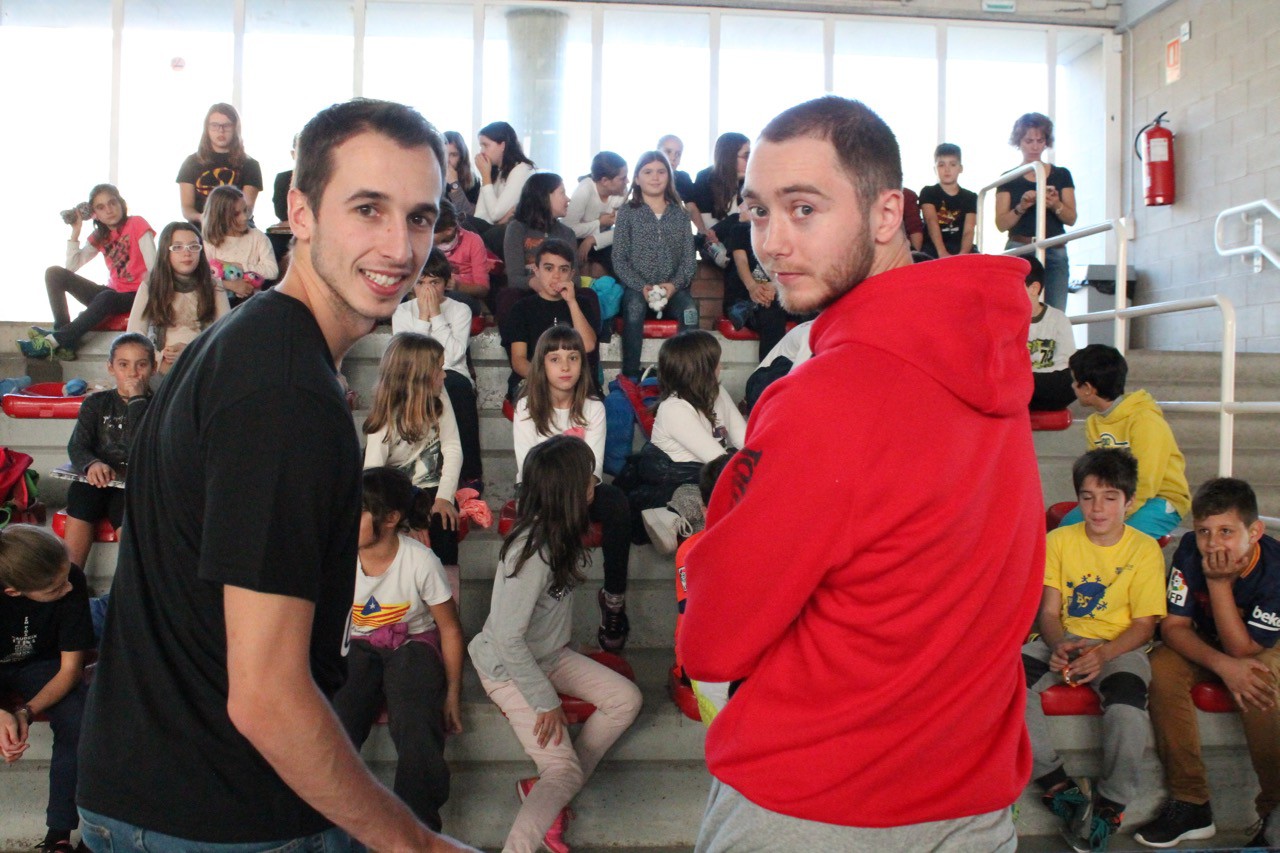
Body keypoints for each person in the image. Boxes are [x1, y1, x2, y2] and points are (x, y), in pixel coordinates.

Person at [76, 98, 477, 853]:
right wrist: (417, 844)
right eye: (368, 208)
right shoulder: (285, 389)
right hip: (212, 817)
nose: (399, 246)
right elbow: (266, 696)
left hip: (161, 797)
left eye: (420, 217)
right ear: (300, 209)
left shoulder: (249, 340)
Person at [680, 96, 1042, 851]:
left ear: (887, 215)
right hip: (970, 800)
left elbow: (710, 642)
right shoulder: (987, 360)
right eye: (757, 212)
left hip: (813, 802)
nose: (774, 241)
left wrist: (718, 519)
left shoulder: (826, 395)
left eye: (804, 208)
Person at [469, 435, 643, 853]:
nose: (594, 488)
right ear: (569, 492)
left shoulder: (561, 535)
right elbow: (509, 639)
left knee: (626, 699)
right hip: (508, 669)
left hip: (548, 655)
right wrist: (545, 701)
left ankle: (547, 791)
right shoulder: (531, 554)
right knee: (563, 772)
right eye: (588, 481)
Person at [1023, 449, 1166, 852]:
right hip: (1063, 640)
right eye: (1087, 497)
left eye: (1109, 497)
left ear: (1129, 503)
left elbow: (1144, 625)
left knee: (1126, 708)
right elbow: (1049, 611)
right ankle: (1057, 786)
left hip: (1120, 648)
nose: (1097, 508)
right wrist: (1059, 644)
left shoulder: (1144, 550)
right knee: (1002, 687)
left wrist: (1102, 654)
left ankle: (1111, 803)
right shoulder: (1058, 541)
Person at [1134, 477, 1280, 850]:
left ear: (1255, 531)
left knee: (1258, 680)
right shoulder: (1189, 552)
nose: (1213, 544)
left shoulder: (1276, 570)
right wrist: (1222, 665)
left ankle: (1274, 810)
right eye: (1204, 532)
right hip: (1209, 642)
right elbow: (1174, 627)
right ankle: (1190, 802)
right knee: (1160, 668)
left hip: (1261, 646)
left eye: (1227, 532)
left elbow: (1244, 651)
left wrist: (1218, 584)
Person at [332, 466, 464, 834]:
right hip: (358, 646)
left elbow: (450, 630)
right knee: (337, 720)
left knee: (418, 724)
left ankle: (414, 831)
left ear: (390, 518)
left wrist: (452, 692)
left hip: (412, 644)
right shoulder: (338, 558)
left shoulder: (420, 561)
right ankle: (330, 822)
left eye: (358, 512)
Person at [513, 326, 632, 651]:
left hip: (582, 489)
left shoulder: (592, 407)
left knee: (618, 502)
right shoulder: (527, 407)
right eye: (555, 359)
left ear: (583, 363)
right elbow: (528, 468)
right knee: (543, 514)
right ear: (542, 365)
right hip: (540, 491)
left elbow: (591, 468)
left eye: (573, 358)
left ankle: (613, 600)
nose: (565, 367)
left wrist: (587, 486)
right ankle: (546, 595)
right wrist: (566, 492)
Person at [0, 525, 94, 853]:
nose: (67, 587)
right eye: (54, 589)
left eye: (66, 576)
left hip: (41, 664)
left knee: (79, 718)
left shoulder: (73, 580)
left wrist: (26, 711)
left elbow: (70, 670)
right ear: (13, 591)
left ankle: (59, 833)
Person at [1060, 343, 1191, 539]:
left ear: (1087, 388)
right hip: (1114, 498)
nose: (1071, 386)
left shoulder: (1145, 420)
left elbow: (1147, 480)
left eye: (1074, 381)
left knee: (1113, 537)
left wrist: (1114, 514)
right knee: (1065, 530)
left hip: (1159, 499)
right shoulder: (1094, 422)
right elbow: (1095, 474)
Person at [640, 331, 746, 554]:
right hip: (671, 485)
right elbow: (717, 459)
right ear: (700, 370)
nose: (721, 366)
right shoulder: (674, 408)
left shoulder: (718, 392)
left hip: (706, 475)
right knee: (703, 495)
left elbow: (745, 441)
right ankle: (672, 521)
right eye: (715, 362)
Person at [364, 333, 463, 569]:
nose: (445, 374)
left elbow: (452, 446)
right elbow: (373, 480)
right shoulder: (385, 420)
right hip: (392, 491)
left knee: (444, 519)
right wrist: (405, 521)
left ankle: (444, 591)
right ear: (419, 377)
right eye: (439, 369)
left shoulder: (440, 394)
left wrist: (444, 498)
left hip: (429, 484)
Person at [23, 184, 155, 361]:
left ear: (121, 204)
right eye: (101, 207)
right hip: (111, 294)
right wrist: (76, 231)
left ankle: (54, 340)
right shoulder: (99, 235)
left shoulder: (137, 223)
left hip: (137, 294)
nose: (109, 210)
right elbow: (70, 268)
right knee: (54, 273)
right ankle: (66, 338)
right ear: (95, 214)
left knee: (106, 297)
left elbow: (155, 269)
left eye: (112, 203)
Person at [62, 333, 154, 571]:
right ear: (111, 368)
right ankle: (72, 579)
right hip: (98, 480)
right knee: (82, 496)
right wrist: (92, 464)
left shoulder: (160, 404)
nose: (132, 373)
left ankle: (128, 585)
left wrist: (136, 401)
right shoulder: (96, 403)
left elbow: (142, 446)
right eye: (123, 365)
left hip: (135, 484)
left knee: (128, 507)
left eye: (141, 365)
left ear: (153, 369)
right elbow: (77, 445)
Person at [392, 251, 483, 489]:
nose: (427, 290)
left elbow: (453, 356)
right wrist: (423, 316)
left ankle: (470, 477)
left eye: (434, 283)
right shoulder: (402, 312)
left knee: (455, 385)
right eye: (421, 283)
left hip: (451, 374)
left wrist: (436, 315)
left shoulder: (460, 310)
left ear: (445, 283)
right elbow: (408, 357)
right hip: (412, 374)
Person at [612, 151, 698, 379]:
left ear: (669, 177)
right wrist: (641, 286)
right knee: (633, 308)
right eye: (647, 172)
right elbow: (619, 259)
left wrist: (674, 285)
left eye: (661, 172)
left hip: (673, 290)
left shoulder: (680, 214)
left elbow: (689, 260)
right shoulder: (627, 213)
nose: (655, 177)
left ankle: (685, 376)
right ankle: (630, 376)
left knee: (690, 311)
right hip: (638, 290)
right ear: (637, 178)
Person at [500, 238, 600, 401]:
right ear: (536, 271)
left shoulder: (582, 304)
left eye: (563, 269)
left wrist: (571, 302)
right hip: (533, 379)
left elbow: (588, 346)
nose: (556, 276)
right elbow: (519, 360)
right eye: (548, 268)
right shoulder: (522, 308)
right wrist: (547, 381)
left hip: (573, 380)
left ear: (572, 274)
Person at [996, 112, 1077, 311]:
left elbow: (1071, 218)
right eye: (1028, 140)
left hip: (1055, 247)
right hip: (1020, 247)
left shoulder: (1061, 174)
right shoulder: (1008, 178)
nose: (1034, 146)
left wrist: (1055, 203)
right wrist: (1021, 207)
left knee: (1056, 311)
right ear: (1019, 142)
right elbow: (1001, 224)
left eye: (1039, 140)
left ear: (1046, 142)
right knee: (1017, 309)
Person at [126, 222, 229, 375]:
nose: (187, 253)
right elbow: (134, 335)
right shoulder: (151, 286)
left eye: (194, 247)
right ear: (165, 252)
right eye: (177, 247)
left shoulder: (213, 285)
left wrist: (190, 351)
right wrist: (159, 360)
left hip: (203, 360)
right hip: (162, 365)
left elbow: (226, 332)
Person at [176, 103, 264, 226]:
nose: (220, 130)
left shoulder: (250, 165)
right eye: (215, 125)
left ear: (235, 127)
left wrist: (228, 222)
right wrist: (203, 217)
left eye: (227, 125)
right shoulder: (191, 163)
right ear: (206, 128)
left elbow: (247, 209)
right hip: (201, 230)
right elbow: (187, 208)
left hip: (238, 230)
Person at [502, 172, 576, 299]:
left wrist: (558, 285)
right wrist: (535, 282)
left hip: (561, 293)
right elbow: (514, 279)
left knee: (588, 295)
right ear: (545, 197)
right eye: (562, 193)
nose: (568, 199)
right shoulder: (517, 228)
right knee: (509, 296)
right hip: (528, 294)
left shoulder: (567, 233)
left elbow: (576, 278)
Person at [202, 184, 279, 304]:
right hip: (220, 306)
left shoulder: (257, 237)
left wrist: (238, 266)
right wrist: (230, 285)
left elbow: (272, 271)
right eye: (236, 214)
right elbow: (204, 278)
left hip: (252, 305)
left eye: (245, 210)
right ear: (220, 216)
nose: (244, 217)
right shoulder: (210, 241)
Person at [687, 132, 750, 267]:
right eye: (746, 156)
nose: (750, 160)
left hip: (737, 244)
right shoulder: (706, 177)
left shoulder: (749, 181)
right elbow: (707, 225)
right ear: (730, 156)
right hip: (712, 246)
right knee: (737, 220)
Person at [1025, 256, 1077, 410]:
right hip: (1020, 383)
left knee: (1072, 379)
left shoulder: (1058, 318)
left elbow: (1066, 363)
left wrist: (1034, 377)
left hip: (1048, 383)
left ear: (1034, 288)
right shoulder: (1005, 320)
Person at [564, 151, 627, 275]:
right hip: (575, 240)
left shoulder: (621, 191)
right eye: (623, 178)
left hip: (603, 240)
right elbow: (568, 228)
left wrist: (592, 239)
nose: (628, 181)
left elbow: (623, 230)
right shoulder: (585, 190)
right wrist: (599, 223)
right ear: (605, 181)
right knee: (583, 266)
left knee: (600, 268)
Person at [472, 121, 536, 240]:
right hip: (494, 229)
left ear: (502, 145)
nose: (482, 151)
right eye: (481, 146)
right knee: (465, 221)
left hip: (512, 234)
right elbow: (480, 215)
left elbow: (495, 213)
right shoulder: (496, 171)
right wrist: (486, 176)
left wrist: (485, 176)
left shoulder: (521, 169)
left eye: (485, 145)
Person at [741, 319, 813, 416]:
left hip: (774, 383)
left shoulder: (819, 327)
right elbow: (796, 380)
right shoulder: (811, 334)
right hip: (762, 386)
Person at [919, 143, 977, 258]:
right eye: (941, 165)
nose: (947, 169)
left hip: (961, 250)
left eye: (952, 164)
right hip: (932, 250)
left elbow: (969, 230)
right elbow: (931, 221)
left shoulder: (970, 197)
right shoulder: (928, 192)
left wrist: (963, 255)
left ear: (960, 168)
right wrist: (942, 253)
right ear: (935, 169)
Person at [434, 199, 495, 300]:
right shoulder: (425, 244)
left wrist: (458, 286)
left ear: (449, 230)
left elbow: (483, 289)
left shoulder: (473, 241)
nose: (425, 235)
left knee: (452, 298)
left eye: (431, 231)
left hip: (463, 296)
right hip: (432, 293)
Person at [443, 130, 482, 225]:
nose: (447, 160)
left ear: (461, 157)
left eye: (453, 155)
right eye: (444, 153)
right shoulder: (429, 177)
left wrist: (454, 184)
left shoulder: (472, 180)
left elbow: (468, 215)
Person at [658, 134, 697, 202]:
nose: (673, 158)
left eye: (678, 154)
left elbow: (691, 207)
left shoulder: (683, 179)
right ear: (657, 153)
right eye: (668, 152)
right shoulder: (647, 177)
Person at [271, 132, 299, 224]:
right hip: (289, 228)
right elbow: (281, 213)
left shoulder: (325, 179)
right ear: (293, 154)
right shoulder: (282, 179)